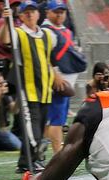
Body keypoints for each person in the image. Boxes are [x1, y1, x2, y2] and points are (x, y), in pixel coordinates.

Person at [0, 0, 65, 174]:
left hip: (45, 90)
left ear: (38, 14)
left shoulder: (47, 35)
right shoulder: (18, 33)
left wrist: (55, 76)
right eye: (25, 12)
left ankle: (26, 162)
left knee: (39, 128)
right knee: (32, 131)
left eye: (32, 11)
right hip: (28, 90)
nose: (29, 14)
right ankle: (32, 159)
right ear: (20, 16)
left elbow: (50, 59)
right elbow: (5, 39)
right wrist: (7, 21)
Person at [42, 0, 84, 154]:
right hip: (58, 83)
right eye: (56, 12)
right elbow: (44, 57)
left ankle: (41, 151)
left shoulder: (65, 30)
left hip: (67, 81)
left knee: (55, 119)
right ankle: (57, 154)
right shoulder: (46, 31)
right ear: (48, 12)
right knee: (57, 120)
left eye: (62, 11)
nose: (60, 15)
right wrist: (55, 76)